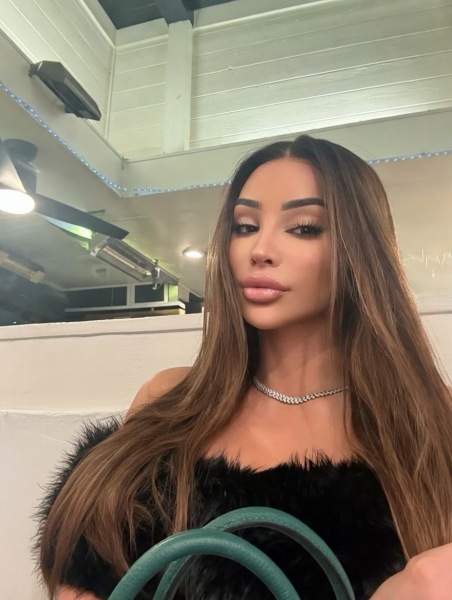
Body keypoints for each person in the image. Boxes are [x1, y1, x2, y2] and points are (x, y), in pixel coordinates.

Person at [36, 135, 452, 600]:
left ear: (361, 250)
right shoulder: (167, 400)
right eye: (245, 226)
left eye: (304, 228)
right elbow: (87, 566)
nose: (260, 249)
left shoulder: (428, 425)